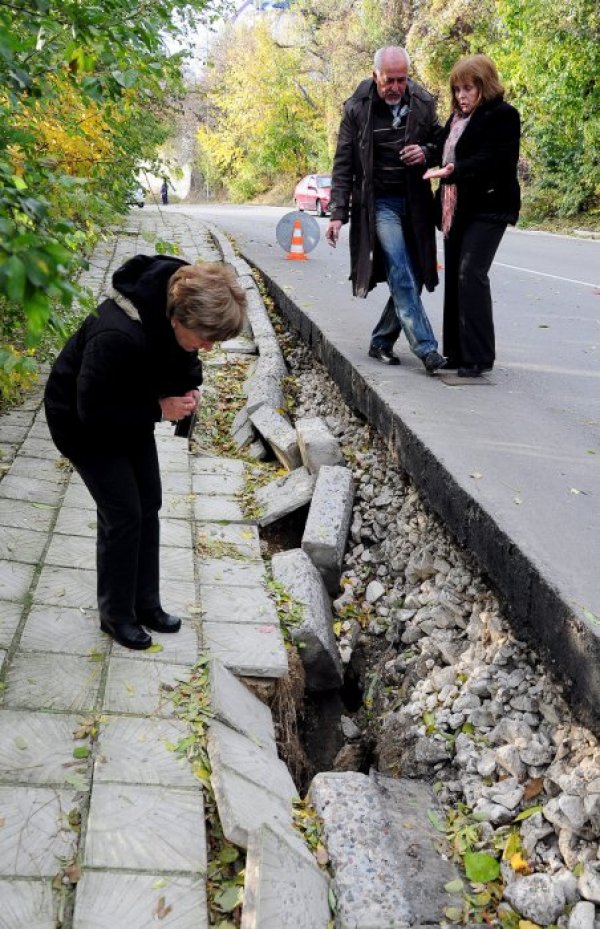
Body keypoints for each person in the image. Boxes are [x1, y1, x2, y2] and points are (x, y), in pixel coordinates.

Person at [44, 255, 247, 650]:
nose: (207, 347)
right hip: (82, 422)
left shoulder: (173, 313)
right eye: (205, 338)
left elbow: (185, 359)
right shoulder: (116, 334)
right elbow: (94, 411)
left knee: (149, 503)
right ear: (177, 318)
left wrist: (188, 389)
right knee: (123, 513)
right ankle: (116, 615)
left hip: (127, 408)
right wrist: (158, 409)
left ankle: (146, 603)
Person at [325, 46, 446, 375]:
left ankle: (381, 341)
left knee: (417, 272)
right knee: (399, 267)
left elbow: (441, 143)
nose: (395, 87)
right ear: (374, 74)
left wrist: (424, 151)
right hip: (378, 204)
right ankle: (427, 348)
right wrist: (338, 214)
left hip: (415, 201)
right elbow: (344, 164)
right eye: (389, 80)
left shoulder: (422, 102)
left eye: (401, 79)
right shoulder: (356, 109)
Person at [423, 54, 520, 377]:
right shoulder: (455, 120)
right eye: (457, 90)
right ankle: (457, 352)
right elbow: (438, 148)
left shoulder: (504, 116)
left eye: (468, 88)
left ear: (484, 86)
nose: (461, 96)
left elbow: (493, 159)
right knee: (455, 276)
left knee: (470, 273)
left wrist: (454, 170)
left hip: (490, 207)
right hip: (457, 208)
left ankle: (479, 356)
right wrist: (422, 153)